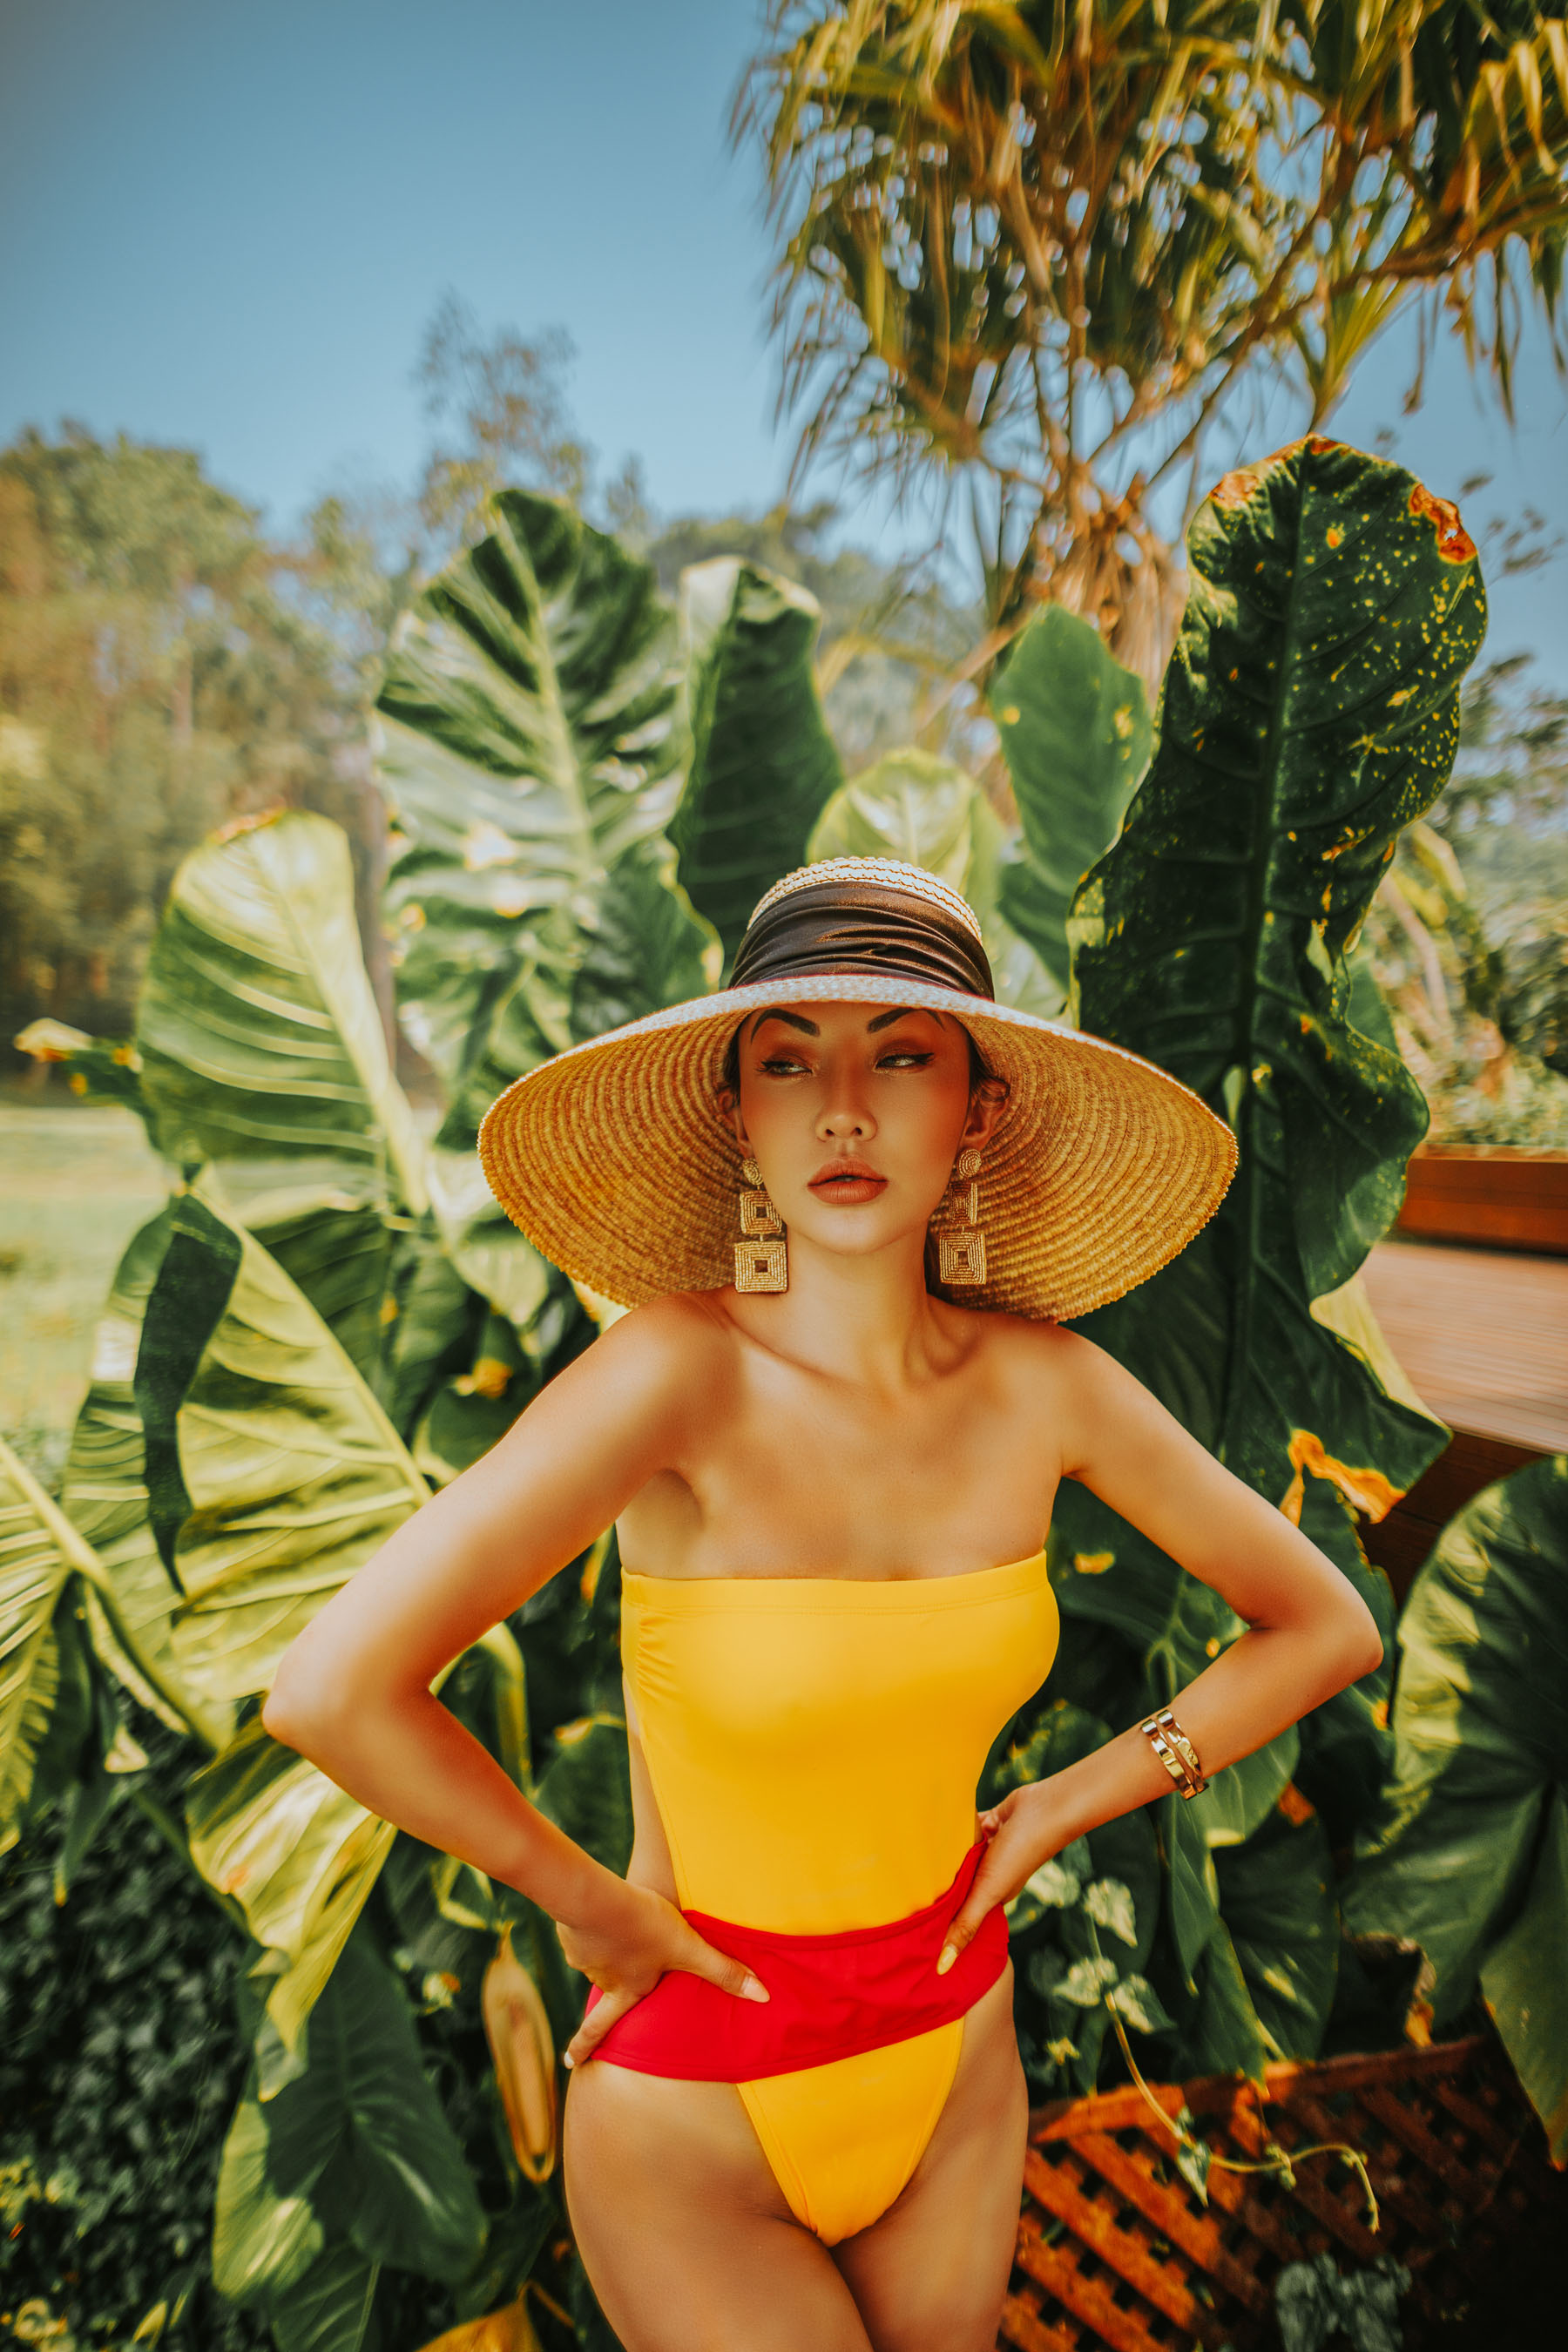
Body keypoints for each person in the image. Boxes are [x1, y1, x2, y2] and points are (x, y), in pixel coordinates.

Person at [262, 856, 1382, 2352]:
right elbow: (332, 1688)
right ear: (741, 1111)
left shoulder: (1045, 1386)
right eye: (788, 1062)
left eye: (900, 1055)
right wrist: (587, 1904)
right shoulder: (678, 1374)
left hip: (955, 2067)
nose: (841, 1109)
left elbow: (1325, 1626)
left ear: (975, 1106)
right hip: (700, 2109)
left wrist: (1063, 1804)